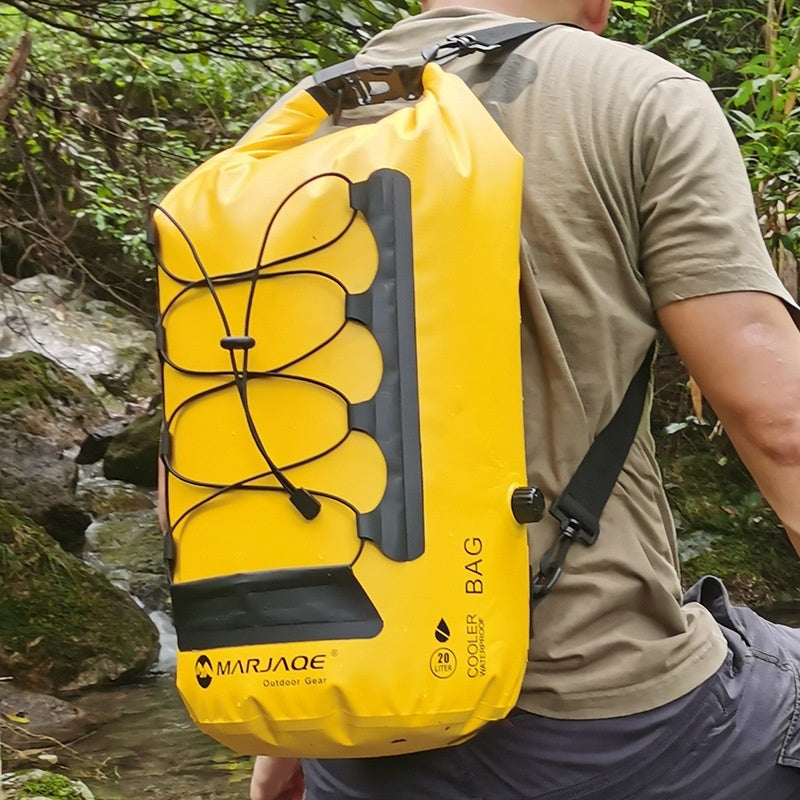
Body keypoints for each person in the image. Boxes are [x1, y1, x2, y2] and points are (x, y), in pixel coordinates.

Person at [235, 1, 800, 797]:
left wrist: (287, 755)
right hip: (614, 727)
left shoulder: (288, 130)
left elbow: (245, 470)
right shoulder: (637, 95)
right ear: (597, 6)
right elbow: (781, 426)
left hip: (358, 726)